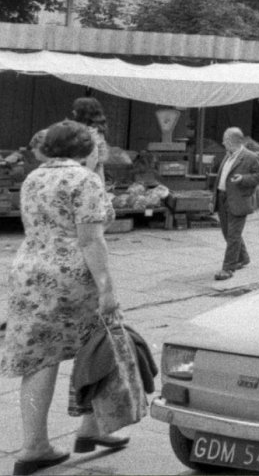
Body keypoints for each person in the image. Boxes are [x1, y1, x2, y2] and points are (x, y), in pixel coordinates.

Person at [2, 121, 128, 475]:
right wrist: (107, 288)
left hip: (28, 270)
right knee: (95, 349)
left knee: (39, 359)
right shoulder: (85, 179)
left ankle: (34, 445)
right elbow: (90, 239)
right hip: (70, 275)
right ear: (86, 149)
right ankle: (91, 427)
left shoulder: (34, 177)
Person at [209, 128, 259, 281]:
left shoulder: (250, 157)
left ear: (230, 141)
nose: (222, 142)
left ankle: (228, 268)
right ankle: (243, 258)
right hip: (223, 198)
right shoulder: (228, 155)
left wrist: (243, 178)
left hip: (239, 199)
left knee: (233, 235)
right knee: (228, 233)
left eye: (224, 140)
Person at [70, 97, 110, 180]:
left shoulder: (90, 132)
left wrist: (85, 176)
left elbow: (93, 157)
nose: (73, 111)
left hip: (87, 176)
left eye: (76, 109)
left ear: (84, 113)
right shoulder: (95, 130)